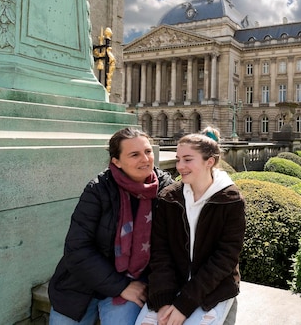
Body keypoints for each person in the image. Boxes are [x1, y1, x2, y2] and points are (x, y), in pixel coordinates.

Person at [48, 127, 174, 324]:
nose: (145, 159)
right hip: (82, 283)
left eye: (148, 151)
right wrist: (120, 286)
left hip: (137, 280)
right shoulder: (98, 190)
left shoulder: (166, 189)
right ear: (116, 161)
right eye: (134, 154)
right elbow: (77, 249)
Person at [135, 133, 246, 325]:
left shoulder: (230, 200)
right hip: (172, 285)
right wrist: (163, 301)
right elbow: (160, 253)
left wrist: (184, 305)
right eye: (178, 159)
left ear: (209, 161)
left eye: (187, 159)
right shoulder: (169, 198)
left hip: (214, 289)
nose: (179, 166)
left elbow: (225, 259)